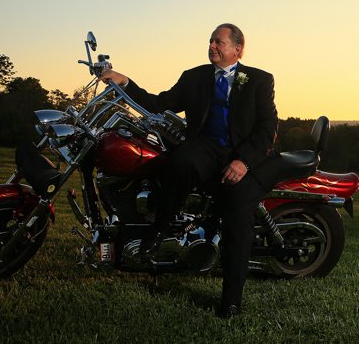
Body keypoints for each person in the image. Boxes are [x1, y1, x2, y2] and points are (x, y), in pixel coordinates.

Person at [100, 23, 278, 318]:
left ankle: (231, 300)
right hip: (206, 147)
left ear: (238, 49)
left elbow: (267, 129)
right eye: (210, 41)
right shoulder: (193, 76)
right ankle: (159, 229)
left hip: (242, 154)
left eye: (219, 42)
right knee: (178, 162)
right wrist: (125, 82)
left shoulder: (259, 80)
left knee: (237, 214)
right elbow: (159, 103)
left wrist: (243, 162)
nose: (212, 46)